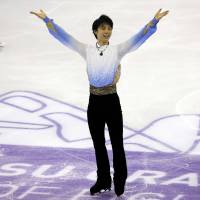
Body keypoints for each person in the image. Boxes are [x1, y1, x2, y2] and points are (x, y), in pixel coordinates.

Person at [30, 8, 169, 197]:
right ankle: (103, 180)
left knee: (117, 143)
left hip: (111, 101)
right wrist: (48, 21)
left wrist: (153, 22)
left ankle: (120, 180)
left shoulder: (117, 50)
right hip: (94, 102)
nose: (107, 31)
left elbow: (138, 38)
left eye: (109, 28)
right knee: (98, 144)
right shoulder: (86, 50)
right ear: (95, 30)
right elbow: (64, 38)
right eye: (103, 28)